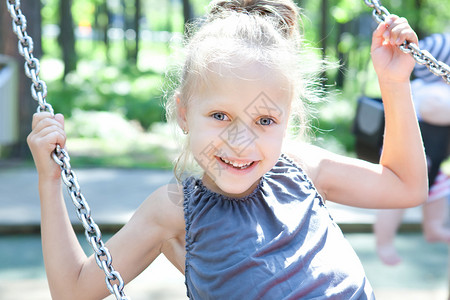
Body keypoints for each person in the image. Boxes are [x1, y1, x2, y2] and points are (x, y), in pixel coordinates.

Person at [27, 1, 427, 299]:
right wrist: (49, 181)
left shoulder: (300, 169)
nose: (241, 141)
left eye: (265, 121)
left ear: (288, 121)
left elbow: (404, 187)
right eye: (219, 115)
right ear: (185, 113)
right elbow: (75, 291)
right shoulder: (172, 210)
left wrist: (394, 84)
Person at [374, 33, 450, 266]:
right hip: (407, 160)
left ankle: (435, 228)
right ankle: (383, 242)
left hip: (431, 162)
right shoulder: (431, 91)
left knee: (439, 193)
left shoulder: (430, 88)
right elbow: (432, 109)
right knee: (395, 203)